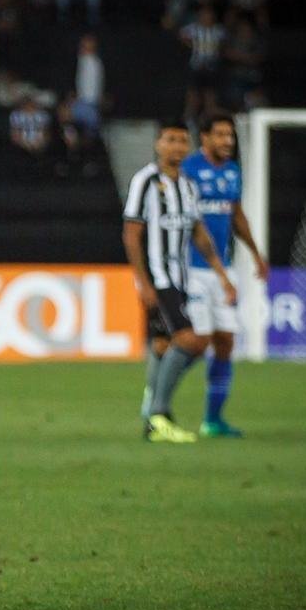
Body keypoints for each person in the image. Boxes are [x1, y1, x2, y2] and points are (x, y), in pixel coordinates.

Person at [122, 118, 235, 444]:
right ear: (158, 144)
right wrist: (143, 283)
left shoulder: (186, 185)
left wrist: (221, 272)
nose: (177, 146)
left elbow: (197, 232)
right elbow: (131, 235)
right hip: (159, 278)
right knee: (192, 340)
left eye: (182, 141)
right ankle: (159, 413)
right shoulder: (145, 181)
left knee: (161, 345)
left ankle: (152, 418)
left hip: (181, 278)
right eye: (170, 140)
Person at [181, 112, 268, 437]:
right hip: (190, 267)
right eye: (220, 135)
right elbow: (191, 223)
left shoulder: (232, 172)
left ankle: (212, 421)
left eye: (230, 135)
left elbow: (236, 215)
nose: (228, 141)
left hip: (223, 269)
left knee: (225, 342)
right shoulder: (188, 171)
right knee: (197, 341)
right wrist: (219, 271)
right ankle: (157, 393)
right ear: (204, 138)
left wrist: (256, 253)